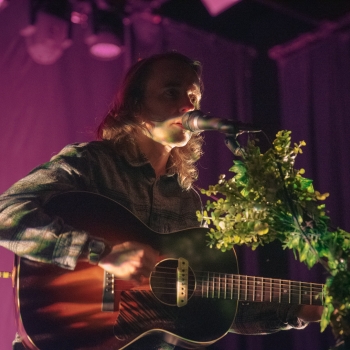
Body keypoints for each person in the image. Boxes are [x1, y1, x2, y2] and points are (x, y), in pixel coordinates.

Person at [0, 52, 322, 349]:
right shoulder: (91, 163)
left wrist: (296, 310)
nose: (187, 106)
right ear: (136, 106)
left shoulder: (188, 203)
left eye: (193, 96)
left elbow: (218, 307)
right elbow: (6, 214)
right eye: (171, 92)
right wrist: (100, 252)